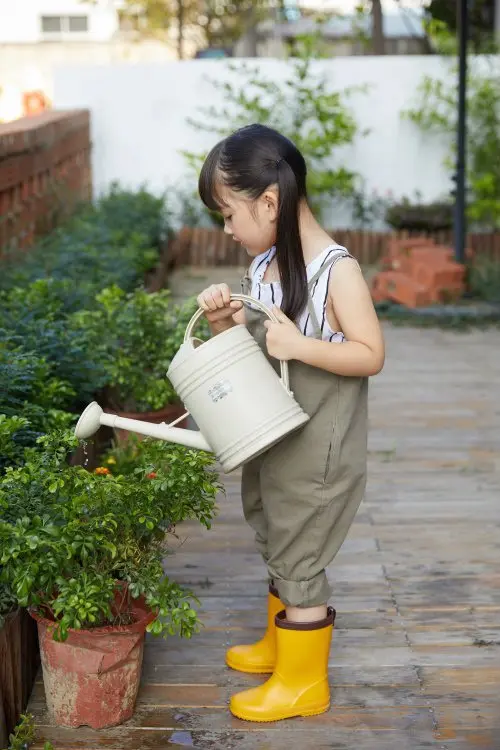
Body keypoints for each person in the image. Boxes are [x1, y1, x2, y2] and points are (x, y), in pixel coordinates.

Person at [196, 123, 385, 723]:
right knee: (276, 530)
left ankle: (304, 683)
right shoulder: (267, 263)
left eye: (227, 214)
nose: (225, 229)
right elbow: (260, 354)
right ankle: (282, 646)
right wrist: (227, 324)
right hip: (279, 440)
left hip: (319, 450)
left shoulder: (337, 270)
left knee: (302, 552)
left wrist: (300, 346)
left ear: (269, 203)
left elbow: (369, 354)